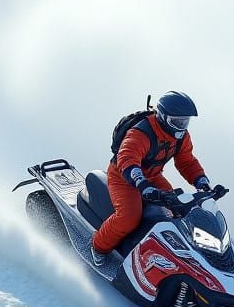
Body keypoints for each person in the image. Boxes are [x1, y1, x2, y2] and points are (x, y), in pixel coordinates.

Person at [90, 91, 224, 266]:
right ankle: (98, 247)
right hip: (124, 177)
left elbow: (187, 161)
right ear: (162, 116)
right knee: (129, 217)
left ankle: (186, 257)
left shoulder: (181, 136)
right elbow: (127, 159)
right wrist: (142, 184)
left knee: (180, 211)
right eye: (177, 121)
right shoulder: (141, 132)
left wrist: (202, 183)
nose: (181, 126)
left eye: (185, 121)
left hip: (152, 177)